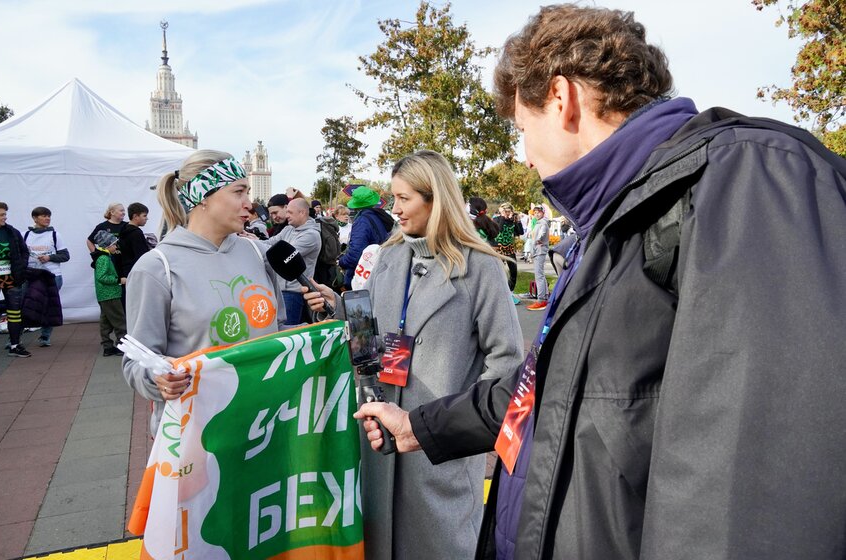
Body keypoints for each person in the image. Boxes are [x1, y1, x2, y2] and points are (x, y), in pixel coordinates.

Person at [351, 5, 846, 560]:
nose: (524, 154)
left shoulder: (750, 180)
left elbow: (759, 486)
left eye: (522, 128)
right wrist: (423, 425)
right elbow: (550, 388)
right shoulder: (614, 219)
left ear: (561, 99)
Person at [305, 150, 524, 560]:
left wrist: (457, 425)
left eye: (404, 198)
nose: (395, 208)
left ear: (434, 198)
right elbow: (367, 334)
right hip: (380, 439)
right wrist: (340, 306)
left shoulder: (480, 267)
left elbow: (506, 360)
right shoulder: (388, 257)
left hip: (439, 450)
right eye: (393, 197)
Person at [123, 150, 286, 435]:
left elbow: (279, 329)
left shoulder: (259, 253)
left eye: (248, 192)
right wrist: (158, 377)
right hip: (197, 434)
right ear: (203, 197)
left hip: (265, 422)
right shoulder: (156, 268)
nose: (250, 204)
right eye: (239, 192)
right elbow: (137, 361)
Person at [0, 201, 31, 359]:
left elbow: (25, 251)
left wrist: (21, 267)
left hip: (11, 277)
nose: (5, 217)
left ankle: (15, 345)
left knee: (14, 312)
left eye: (5, 214)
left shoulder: (12, 232)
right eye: (1, 214)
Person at [268, 198, 321, 326]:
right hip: (281, 289)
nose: (286, 216)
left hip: (294, 292)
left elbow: (283, 256)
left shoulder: (312, 235)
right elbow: (270, 243)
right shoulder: (288, 229)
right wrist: (251, 242)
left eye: (290, 213)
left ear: (302, 213)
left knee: (288, 332)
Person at [24, 206, 70, 347]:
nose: (47, 218)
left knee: (49, 306)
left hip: (52, 275)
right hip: (31, 275)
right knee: (25, 306)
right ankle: (14, 338)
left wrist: (49, 257)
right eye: (43, 216)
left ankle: (45, 336)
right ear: (35, 218)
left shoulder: (55, 235)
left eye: (48, 216)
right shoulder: (25, 235)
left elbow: (65, 256)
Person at [338, 186, 395, 289]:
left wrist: (341, 261)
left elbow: (355, 254)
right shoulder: (378, 217)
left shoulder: (362, 221)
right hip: (377, 271)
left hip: (362, 276)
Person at [90, 230, 126, 357]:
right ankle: (122, 346)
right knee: (119, 321)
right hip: (111, 294)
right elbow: (102, 277)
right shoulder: (104, 258)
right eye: (114, 244)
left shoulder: (100, 257)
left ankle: (107, 346)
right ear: (107, 245)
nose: (116, 246)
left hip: (103, 295)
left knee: (105, 322)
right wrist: (118, 280)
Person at [493, 202, 524, 292]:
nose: (507, 213)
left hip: (509, 249)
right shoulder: (496, 219)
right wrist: (503, 217)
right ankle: (498, 290)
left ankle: (510, 291)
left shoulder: (512, 221)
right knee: (498, 271)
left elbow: (520, 232)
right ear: (502, 211)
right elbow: (499, 229)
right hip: (499, 248)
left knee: (513, 271)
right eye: (505, 211)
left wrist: (518, 221)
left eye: (509, 211)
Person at [118, 202, 151, 280]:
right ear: (135, 216)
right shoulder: (136, 233)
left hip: (126, 271)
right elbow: (142, 256)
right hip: (136, 272)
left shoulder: (124, 228)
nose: (147, 218)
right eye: (144, 215)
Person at [526, 205, 549, 310]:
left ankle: (541, 300)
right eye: (535, 212)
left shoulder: (543, 222)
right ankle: (544, 297)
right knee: (541, 275)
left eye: (538, 212)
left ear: (543, 213)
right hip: (537, 250)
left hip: (539, 251)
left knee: (538, 275)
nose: (536, 214)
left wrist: (538, 240)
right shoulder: (538, 222)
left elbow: (542, 233)